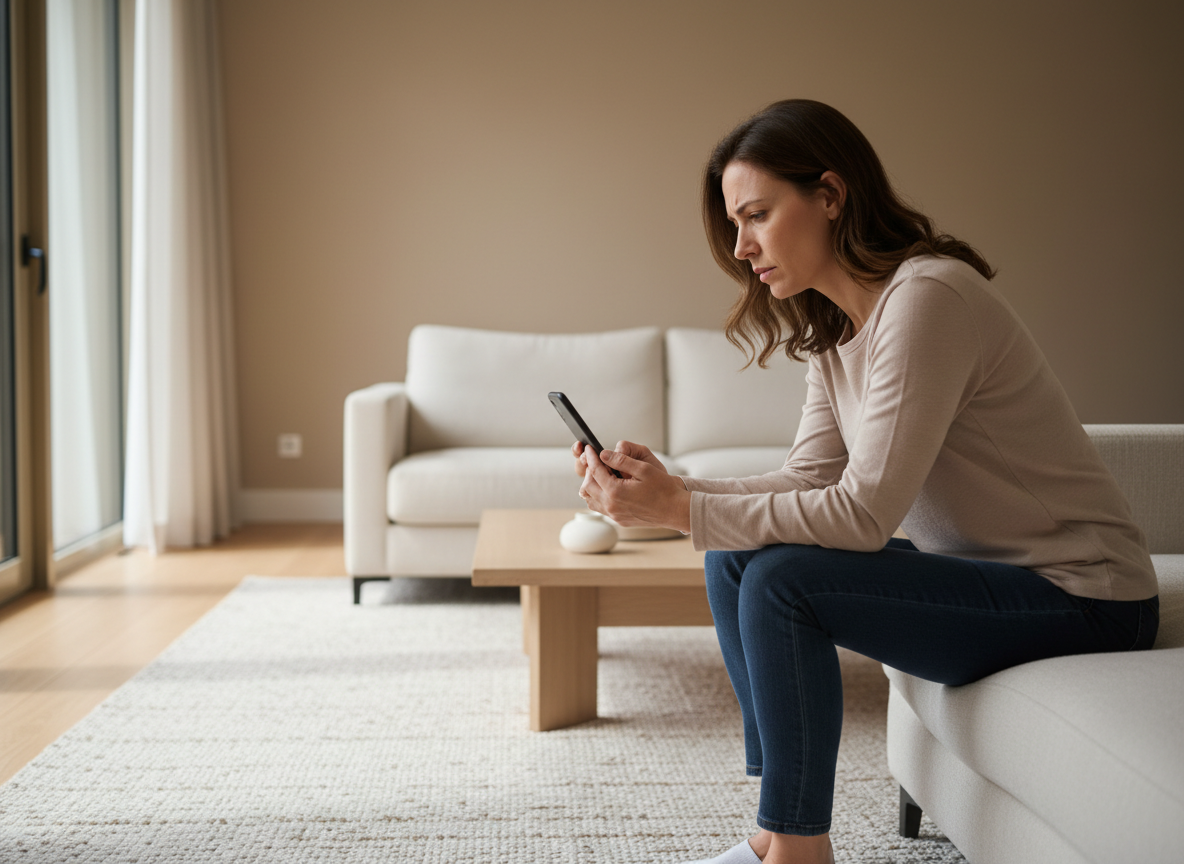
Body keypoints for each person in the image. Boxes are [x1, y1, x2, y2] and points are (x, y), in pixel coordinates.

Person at [572, 99, 1159, 864]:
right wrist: (676, 491)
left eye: (756, 215)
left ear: (829, 195)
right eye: (734, 224)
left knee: (784, 580)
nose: (742, 245)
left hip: (1083, 598)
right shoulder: (837, 329)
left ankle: (798, 849)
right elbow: (805, 478)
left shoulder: (927, 299)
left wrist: (680, 508)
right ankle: (773, 829)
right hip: (985, 580)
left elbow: (862, 517)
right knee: (735, 557)